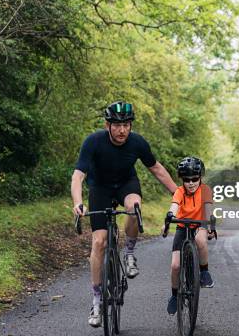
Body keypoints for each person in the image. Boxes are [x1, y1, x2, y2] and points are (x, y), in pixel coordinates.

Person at [71, 101, 177, 328]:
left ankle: (129, 253)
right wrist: (78, 203)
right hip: (99, 188)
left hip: (126, 185)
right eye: (117, 125)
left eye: (126, 125)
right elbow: (78, 176)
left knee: (134, 206)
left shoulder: (137, 142)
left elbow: (157, 168)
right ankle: (97, 300)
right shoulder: (93, 142)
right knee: (99, 242)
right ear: (107, 125)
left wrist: (178, 194)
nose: (122, 130)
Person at [164, 156, 215, 315]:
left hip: (200, 224)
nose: (191, 183)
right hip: (182, 227)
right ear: (182, 180)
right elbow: (174, 205)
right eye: (187, 180)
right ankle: (174, 295)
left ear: (200, 177)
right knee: (175, 266)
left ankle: (204, 271)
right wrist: (170, 215)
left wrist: (210, 225)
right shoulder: (179, 191)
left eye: (195, 179)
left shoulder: (205, 190)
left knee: (200, 239)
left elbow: (208, 208)